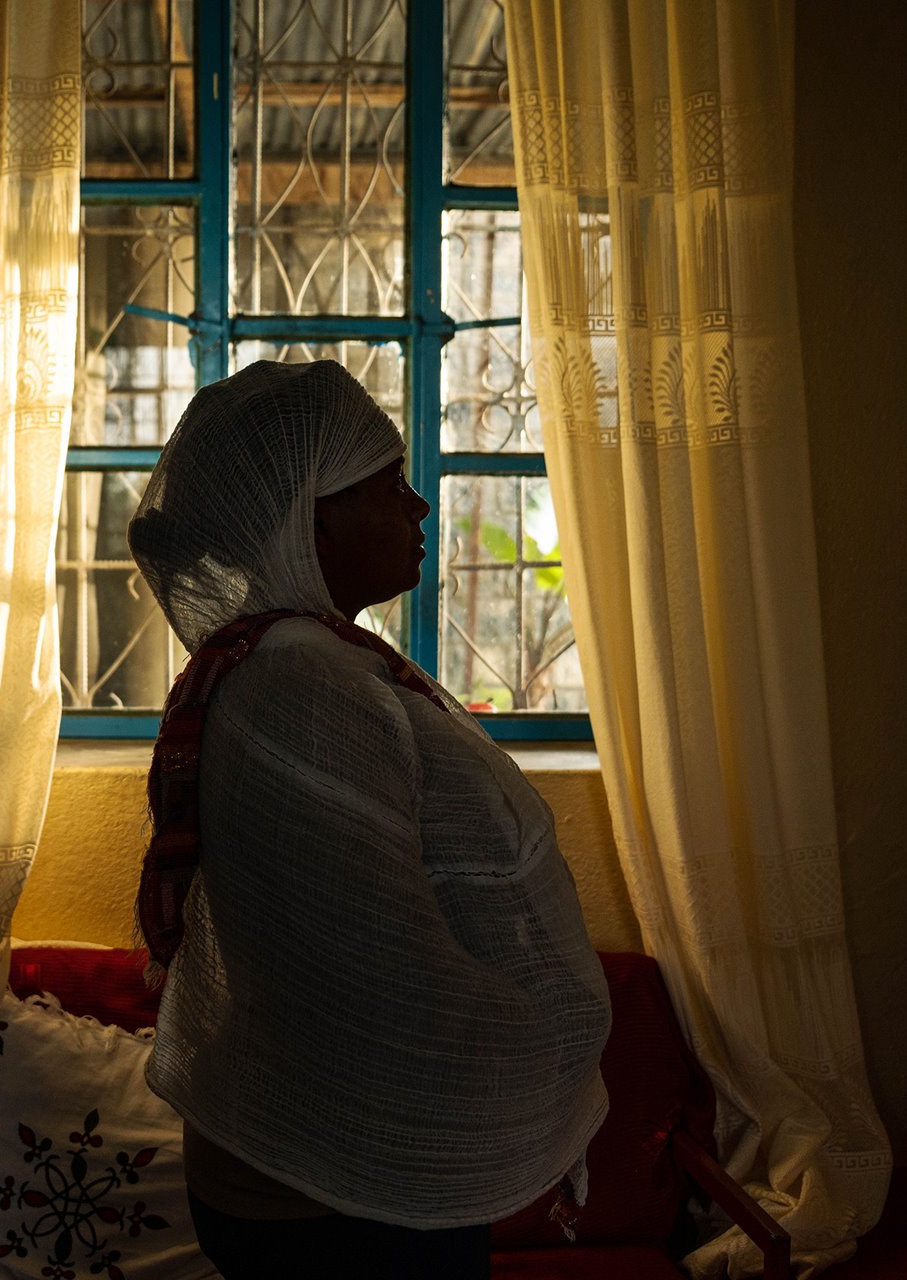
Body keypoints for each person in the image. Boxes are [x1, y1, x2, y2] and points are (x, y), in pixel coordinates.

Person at [127, 360, 611, 1279]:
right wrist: (542, 1034)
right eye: (389, 486)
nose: (421, 508)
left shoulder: (301, 668)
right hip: (335, 1189)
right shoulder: (303, 690)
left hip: (317, 1158)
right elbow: (380, 967)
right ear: (309, 520)